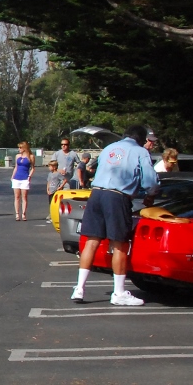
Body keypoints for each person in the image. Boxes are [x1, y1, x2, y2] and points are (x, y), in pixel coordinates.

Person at [72, 125, 159, 307]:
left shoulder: (109, 149)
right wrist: (151, 193)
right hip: (117, 196)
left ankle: (79, 288)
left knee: (91, 241)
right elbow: (149, 180)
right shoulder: (140, 151)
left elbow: (94, 168)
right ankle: (118, 292)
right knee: (119, 243)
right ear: (141, 140)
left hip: (96, 194)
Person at [11, 141, 35, 221]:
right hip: (17, 178)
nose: (19, 149)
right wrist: (12, 176)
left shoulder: (30, 157)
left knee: (24, 197)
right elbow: (16, 167)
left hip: (25, 178)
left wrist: (29, 177)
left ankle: (23, 213)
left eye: (20, 147)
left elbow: (33, 168)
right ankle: (17, 214)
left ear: (24, 148)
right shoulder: (17, 156)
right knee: (17, 197)